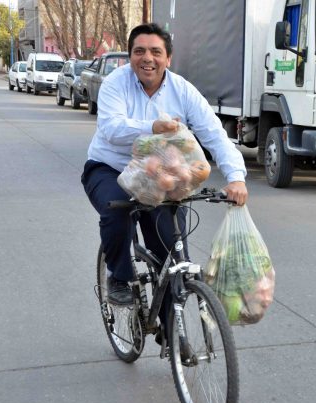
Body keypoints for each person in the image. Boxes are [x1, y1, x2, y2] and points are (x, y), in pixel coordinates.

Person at [81, 23, 248, 305]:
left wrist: (236, 178)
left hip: (162, 177)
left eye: (156, 52)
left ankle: (173, 341)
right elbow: (111, 128)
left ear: (168, 58)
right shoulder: (115, 84)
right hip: (110, 169)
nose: (148, 58)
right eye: (140, 51)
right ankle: (119, 277)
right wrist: (153, 127)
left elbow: (216, 136)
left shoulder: (183, 91)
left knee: (171, 258)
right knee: (118, 211)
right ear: (130, 56)